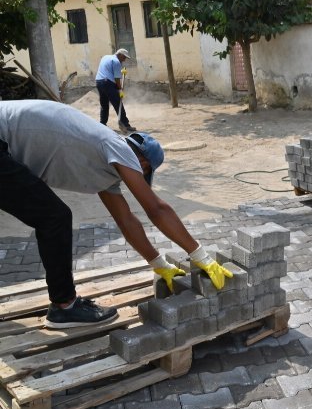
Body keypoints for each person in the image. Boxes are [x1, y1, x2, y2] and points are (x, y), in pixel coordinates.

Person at [0, 100, 233, 329]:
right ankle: (64, 307)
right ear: (141, 162)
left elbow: (126, 220)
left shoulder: (103, 164)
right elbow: (156, 208)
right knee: (54, 217)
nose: (138, 178)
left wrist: (159, 264)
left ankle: (64, 305)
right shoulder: (117, 147)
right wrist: (200, 256)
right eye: (144, 173)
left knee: (52, 215)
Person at [96, 48, 136, 133]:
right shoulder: (116, 62)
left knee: (104, 104)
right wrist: (120, 89)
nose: (124, 60)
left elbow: (108, 70)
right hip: (108, 83)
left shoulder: (105, 57)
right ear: (120, 55)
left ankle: (102, 124)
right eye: (124, 57)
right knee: (118, 104)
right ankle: (125, 124)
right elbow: (117, 79)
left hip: (99, 82)